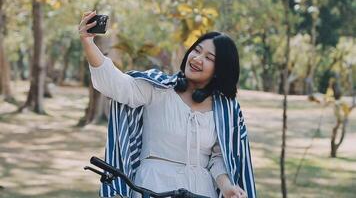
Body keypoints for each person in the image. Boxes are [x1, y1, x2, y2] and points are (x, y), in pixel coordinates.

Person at [79, 11, 256, 198]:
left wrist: (228, 188)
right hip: (153, 186)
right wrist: (88, 42)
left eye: (209, 58)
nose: (197, 59)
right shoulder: (158, 88)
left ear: (221, 69)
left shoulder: (225, 110)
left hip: (200, 191)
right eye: (196, 50)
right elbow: (115, 84)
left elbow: (219, 158)